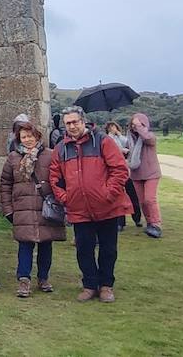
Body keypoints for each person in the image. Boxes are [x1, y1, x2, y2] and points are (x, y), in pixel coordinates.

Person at [50, 106, 133, 303]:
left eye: (75, 122)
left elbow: (120, 170)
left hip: (107, 206)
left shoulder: (103, 141)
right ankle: (89, 285)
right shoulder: (61, 148)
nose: (72, 126)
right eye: (68, 123)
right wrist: (65, 197)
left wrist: (108, 193)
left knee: (108, 249)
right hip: (79, 208)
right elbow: (55, 178)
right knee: (84, 249)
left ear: (83, 121)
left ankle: (106, 285)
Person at [0, 120, 65, 298]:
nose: (27, 139)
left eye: (30, 136)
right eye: (23, 137)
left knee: (46, 244)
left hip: (44, 207)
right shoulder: (13, 157)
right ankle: (24, 279)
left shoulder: (50, 155)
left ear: (37, 136)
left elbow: (59, 179)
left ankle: (43, 278)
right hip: (23, 208)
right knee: (25, 245)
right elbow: (5, 184)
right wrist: (7, 208)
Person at [127, 114, 166, 236]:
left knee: (150, 199)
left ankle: (156, 224)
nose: (135, 127)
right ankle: (149, 223)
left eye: (138, 124)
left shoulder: (150, 137)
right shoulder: (130, 139)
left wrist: (139, 127)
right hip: (136, 174)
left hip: (151, 173)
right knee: (142, 201)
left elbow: (146, 138)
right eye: (133, 125)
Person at [105, 121, 143, 232]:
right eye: (111, 127)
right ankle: (120, 222)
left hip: (126, 169)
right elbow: (114, 148)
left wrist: (119, 135)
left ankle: (137, 218)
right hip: (115, 169)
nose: (113, 128)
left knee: (132, 194)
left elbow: (127, 144)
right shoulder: (108, 139)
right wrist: (123, 150)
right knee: (119, 196)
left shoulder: (121, 137)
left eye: (114, 126)